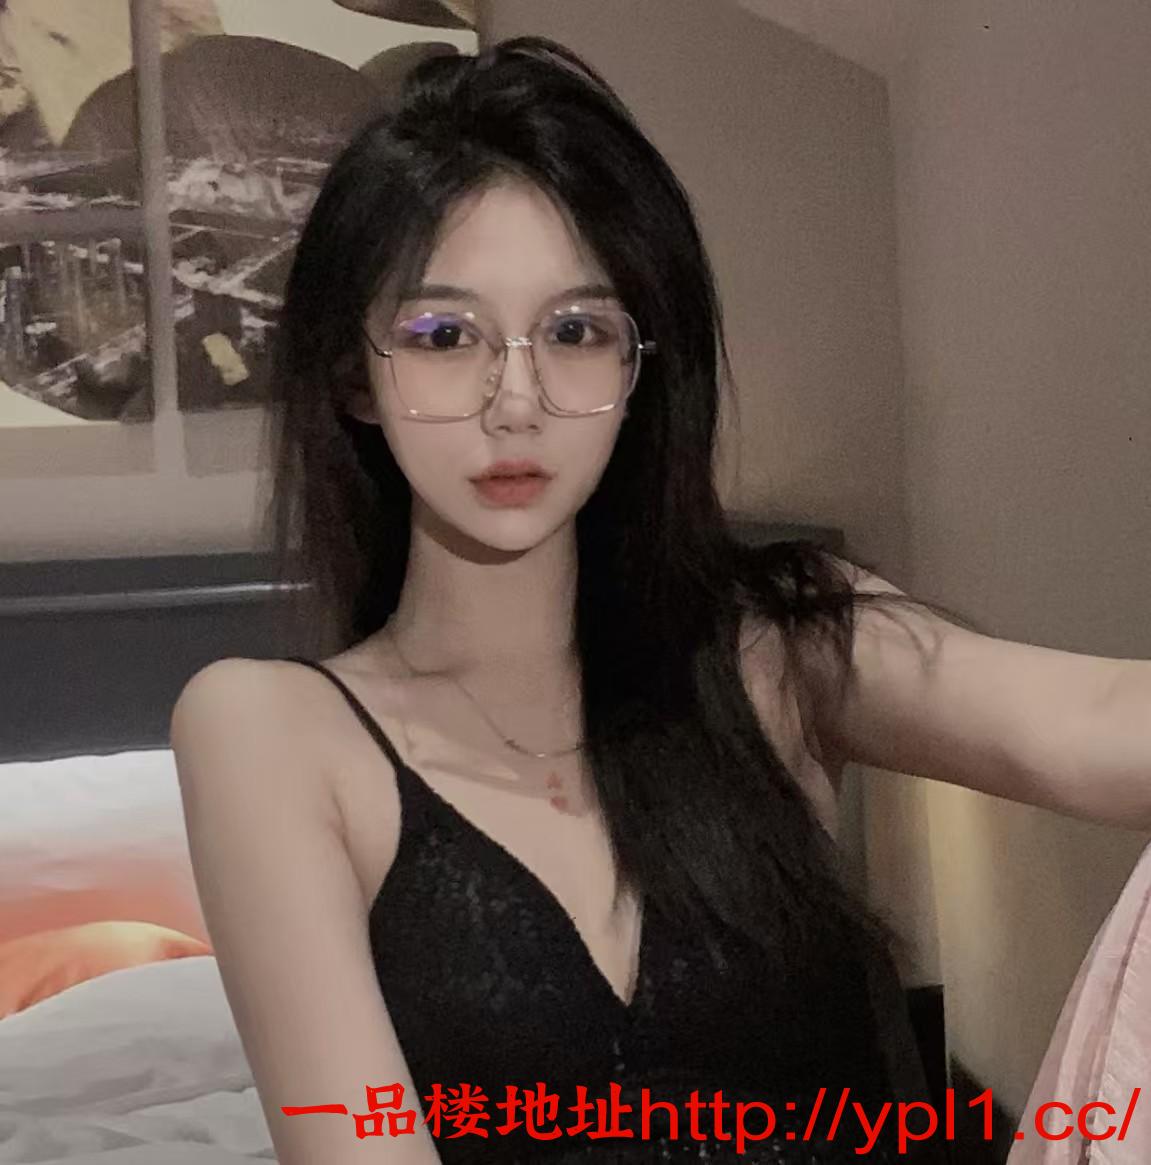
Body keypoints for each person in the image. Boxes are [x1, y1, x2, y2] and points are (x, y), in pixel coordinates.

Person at [169, 36, 1151, 1165]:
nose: (516, 399)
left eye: (575, 332)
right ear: (355, 373)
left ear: (638, 367)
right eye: (444, 335)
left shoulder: (779, 647)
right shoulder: (269, 732)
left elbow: (1096, 720)